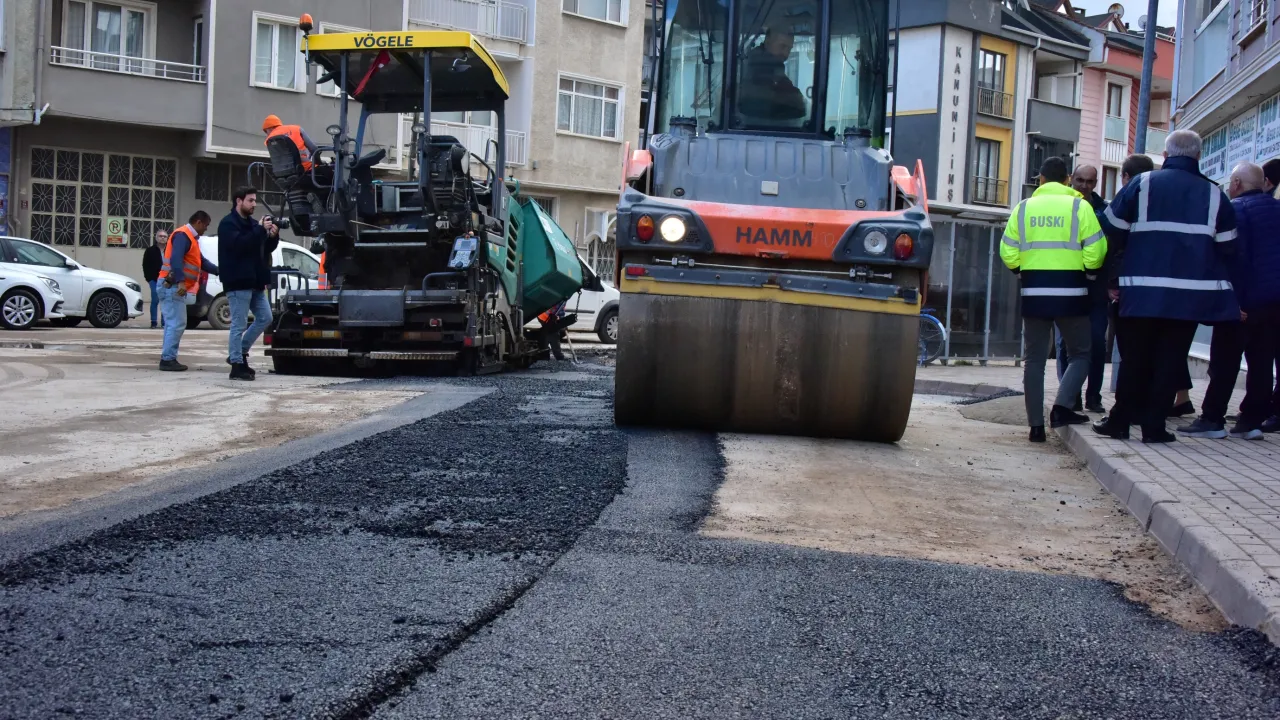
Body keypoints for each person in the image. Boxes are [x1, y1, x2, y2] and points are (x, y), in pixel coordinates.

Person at [1093, 130, 1238, 443]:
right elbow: (1228, 245)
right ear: (1197, 156)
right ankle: (1154, 427)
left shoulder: (1142, 184)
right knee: (1170, 360)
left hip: (1140, 292)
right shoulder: (1214, 193)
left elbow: (1111, 227)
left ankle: (1120, 421)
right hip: (1186, 298)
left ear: (1167, 154)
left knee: (1135, 359)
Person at [1001, 156, 1107, 443]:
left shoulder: (1023, 209)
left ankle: (1036, 427)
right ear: (1067, 180)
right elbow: (1097, 251)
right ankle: (1061, 408)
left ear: (1040, 180)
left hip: (1034, 293)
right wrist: (1088, 273)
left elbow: (1008, 252)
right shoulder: (1080, 206)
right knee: (1081, 354)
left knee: (1034, 361)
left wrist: (1023, 271)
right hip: (1072, 293)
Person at [1180, 162, 1280, 439]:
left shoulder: (1235, 210)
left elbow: (1233, 260)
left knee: (1224, 361)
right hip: (1273, 305)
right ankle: (1251, 422)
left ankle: (1212, 419)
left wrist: (1232, 302)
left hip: (1242, 303)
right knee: (1261, 363)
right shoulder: (1277, 209)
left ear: (1235, 183)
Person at [1054, 164, 1113, 412]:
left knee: (1097, 343)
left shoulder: (1106, 211)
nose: (1084, 186)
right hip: (1067, 285)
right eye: (1080, 180)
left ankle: (1093, 397)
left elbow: (1112, 250)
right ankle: (1071, 397)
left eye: (1090, 181)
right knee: (1065, 344)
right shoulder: (1061, 207)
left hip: (1097, 290)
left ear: (1096, 183)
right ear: (1071, 180)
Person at [217, 186, 280, 381]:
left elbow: (263, 248)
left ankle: (239, 352)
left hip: (256, 281)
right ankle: (237, 366)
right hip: (238, 282)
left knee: (265, 317)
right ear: (239, 201)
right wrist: (260, 230)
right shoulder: (227, 224)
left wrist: (272, 236)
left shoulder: (253, 224)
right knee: (239, 324)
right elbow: (240, 246)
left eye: (255, 201)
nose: (254, 204)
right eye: (250, 200)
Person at [157, 212, 217, 372]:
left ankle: (167, 357)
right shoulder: (183, 235)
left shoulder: (191, 239)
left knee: (173, 324)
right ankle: (168, 359)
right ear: (198, 222)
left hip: (171, 286)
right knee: (177, 323)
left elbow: (201, 262)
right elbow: (176, 259)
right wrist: (181, 282)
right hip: (173, 286)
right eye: (206, 225)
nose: (205, 229)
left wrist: (220, 271)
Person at [738, 28, 806, 123]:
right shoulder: (758, 62)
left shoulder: (774, 66)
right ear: (767, 41)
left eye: (789, 49)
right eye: (782, 46)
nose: (786, 54)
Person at [142, 229, 166, 329]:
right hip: (154, 280)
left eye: (164, 236)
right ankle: (154, 322)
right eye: (160, 236)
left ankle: (164, 322)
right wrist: (149, 278)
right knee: (155, 300)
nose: (162, 238)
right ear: (156, 238)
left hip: (166, 280)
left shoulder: (170, 250)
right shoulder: (150, 250)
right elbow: (145, 265)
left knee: (165, 302)